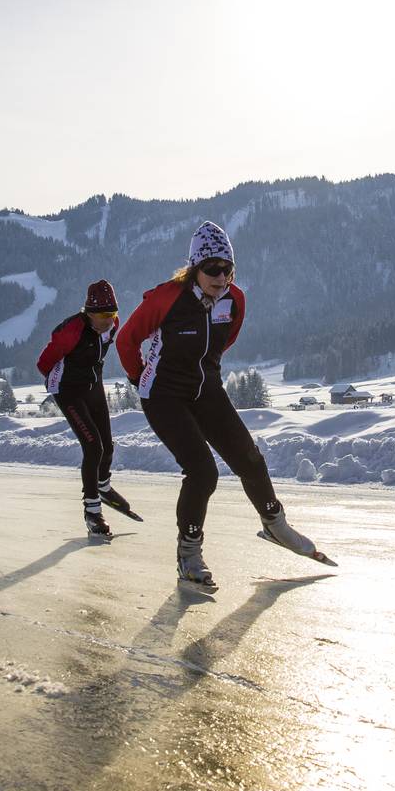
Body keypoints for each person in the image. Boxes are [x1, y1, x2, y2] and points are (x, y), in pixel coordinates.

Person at [116, 221, 318, 590]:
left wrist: (204, 370)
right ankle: (189, 555)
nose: (221, 277)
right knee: (203, 472)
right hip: (163, 395)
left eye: (228, 269)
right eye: (212, 269)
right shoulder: (166, 298)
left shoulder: (234, 300)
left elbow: (226, 339)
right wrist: (138, 376)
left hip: (204, 388)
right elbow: (127, 339)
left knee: (250, 459)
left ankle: (275, 525)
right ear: (194, 267)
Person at [36, 279, 139, 540]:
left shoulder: (112, 325)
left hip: (93, 387)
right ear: (89, 312)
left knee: (108, 445)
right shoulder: (71, 331)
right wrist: (60, 381)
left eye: (113, 313)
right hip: (69, 391)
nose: (110, 320)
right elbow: (43, 362)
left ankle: (102, 485)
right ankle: (92, 510)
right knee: (93, 447)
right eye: (104, 314)